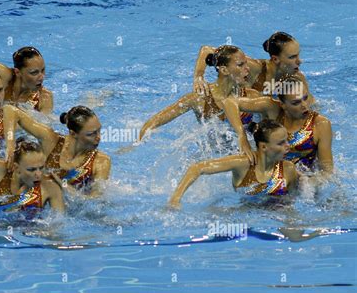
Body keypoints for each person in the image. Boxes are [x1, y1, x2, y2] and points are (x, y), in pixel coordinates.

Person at [139, 45, 258, 161]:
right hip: (214, 158)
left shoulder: (251, 95)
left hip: (247, 154)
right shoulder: (200, 99)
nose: (248, 68)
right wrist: (136, 145)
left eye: (246, 63)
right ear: (224, 70)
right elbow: (154, 122)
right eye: (241, 65)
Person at [169, 120, 298, 209]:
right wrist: (175, 199)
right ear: (263, 147)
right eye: (281, 143)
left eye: (287, 140)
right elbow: (197, 168)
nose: (288, 146)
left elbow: (293, 199)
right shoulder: (243, 164)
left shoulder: (288, 169)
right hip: (243, 214)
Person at [223, 74, 333, 173]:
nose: (304, 105)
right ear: (283, 105)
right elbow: (229, 102)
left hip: (304, 178)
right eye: (296, 102)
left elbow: (327, 173)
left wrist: (307, 183)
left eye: (305, 98)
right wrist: (242, 136)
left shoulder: (320, 125)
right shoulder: (272, 109)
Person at [4, 105, 111, 196]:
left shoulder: (100, 162)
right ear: (73, 134)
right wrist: (10, 145)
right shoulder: (51, 141)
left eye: (99, 131)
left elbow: (95, 202)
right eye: (91, 134)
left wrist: (62, 185)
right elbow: (10, 110)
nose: (99, 137)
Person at [193, 32, 315, 103]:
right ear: (275, 59)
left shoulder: (297, 79)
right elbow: (206, 50)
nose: (300, 61)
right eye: (292, 57)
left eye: (298, 55)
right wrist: (199, 76)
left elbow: (310, 105)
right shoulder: (254, 68)